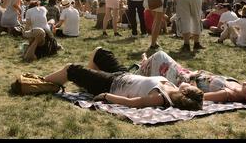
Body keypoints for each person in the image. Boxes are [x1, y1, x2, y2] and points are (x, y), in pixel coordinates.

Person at [43, 47, 204, 110]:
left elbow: (132, 103)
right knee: (101, 52)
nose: (189, 84)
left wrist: (106, 96)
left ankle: (40, 83)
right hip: (124, 75)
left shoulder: (160, 98)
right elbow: (193, 87)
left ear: (185, 94)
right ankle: (88, 81)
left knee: (71, 69)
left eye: (190, 86)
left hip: (110, 84)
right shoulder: (175, 87)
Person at [137, 50, 246, 107]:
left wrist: (191, 80)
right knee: (159, 58)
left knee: (160, 56)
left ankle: (142, 66)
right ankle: (145, 64)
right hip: (188, 73)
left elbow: (199, 96)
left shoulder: (227, 94)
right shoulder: (237, 86)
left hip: (182, 80)